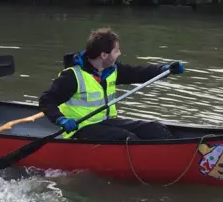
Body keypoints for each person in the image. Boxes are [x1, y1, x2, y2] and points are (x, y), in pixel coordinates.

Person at [38, 27, 184, 142]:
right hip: (81, 129)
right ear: (104, 55)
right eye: (116, 51)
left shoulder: (112, 70)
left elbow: (138, 72)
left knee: (156, 129)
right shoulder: (72, 76)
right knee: (127, 139)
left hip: (107, 122)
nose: (119, 53)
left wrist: (164, 69)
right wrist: (61, 119)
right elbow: (46, 100)